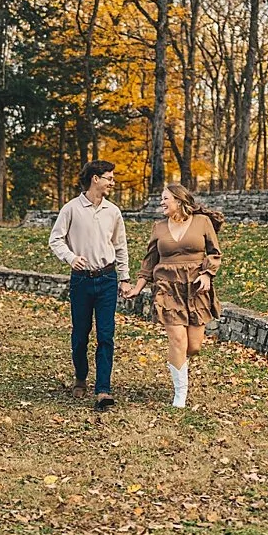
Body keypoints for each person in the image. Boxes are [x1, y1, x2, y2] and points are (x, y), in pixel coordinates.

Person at [124, 178, 221, 407]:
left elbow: (214, 252)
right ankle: (180, 394)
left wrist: (207, 274)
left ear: (178, 200)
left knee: (194, 346)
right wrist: (138, 287)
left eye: (165, 199)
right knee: (177, 340)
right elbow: (149, 261)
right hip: (167, 288)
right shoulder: (158, 227)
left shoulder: (202, 222)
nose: (161, 203)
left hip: (195, 287)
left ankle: (178, 362)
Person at [49, 161, 129, 409]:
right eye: (109, 178)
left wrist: (124, 278)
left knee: (106, 334)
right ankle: (81, 378)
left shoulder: (113, 212)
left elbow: (120, 246)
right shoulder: (71, 209)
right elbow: (55, 239)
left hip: (107, 278)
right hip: (82, 281)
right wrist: (71, 258)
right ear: (95, 179)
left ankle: (103, 389)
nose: (112, 183)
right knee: (80, 335)